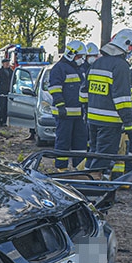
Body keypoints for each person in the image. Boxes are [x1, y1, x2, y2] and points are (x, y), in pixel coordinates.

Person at [80, 29, 132, 178]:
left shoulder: (97, 63)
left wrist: (87, 111)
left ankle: (86, 182)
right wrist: (128, 121)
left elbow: (83, 92)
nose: (131, 52)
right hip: (110, 122)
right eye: (131, 48)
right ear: (126, 45)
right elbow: (122, 98)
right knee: (103, 159)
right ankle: (92, 190)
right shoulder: (121, 66)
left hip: (92, 120)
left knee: (94, 153)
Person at [49, 40, 88, 170]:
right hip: (64, 113)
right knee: (63, 141)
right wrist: (60, 106)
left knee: (81, 141)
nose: (81, 59)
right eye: (79, 56)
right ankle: (61, 168)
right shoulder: (59, 68)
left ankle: (80, 168)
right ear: (71, 54)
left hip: (79, 113)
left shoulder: (81, 69)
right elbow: (55, 88)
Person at [0, 58, 12, 127]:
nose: (7, 64)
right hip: (1, 92)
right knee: (0, 107)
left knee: (6, 108)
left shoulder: (11, 72)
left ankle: (4, 121)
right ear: (3, 64)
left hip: (8, 92)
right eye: (6, 63)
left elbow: (14, 80)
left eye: (8, 63)